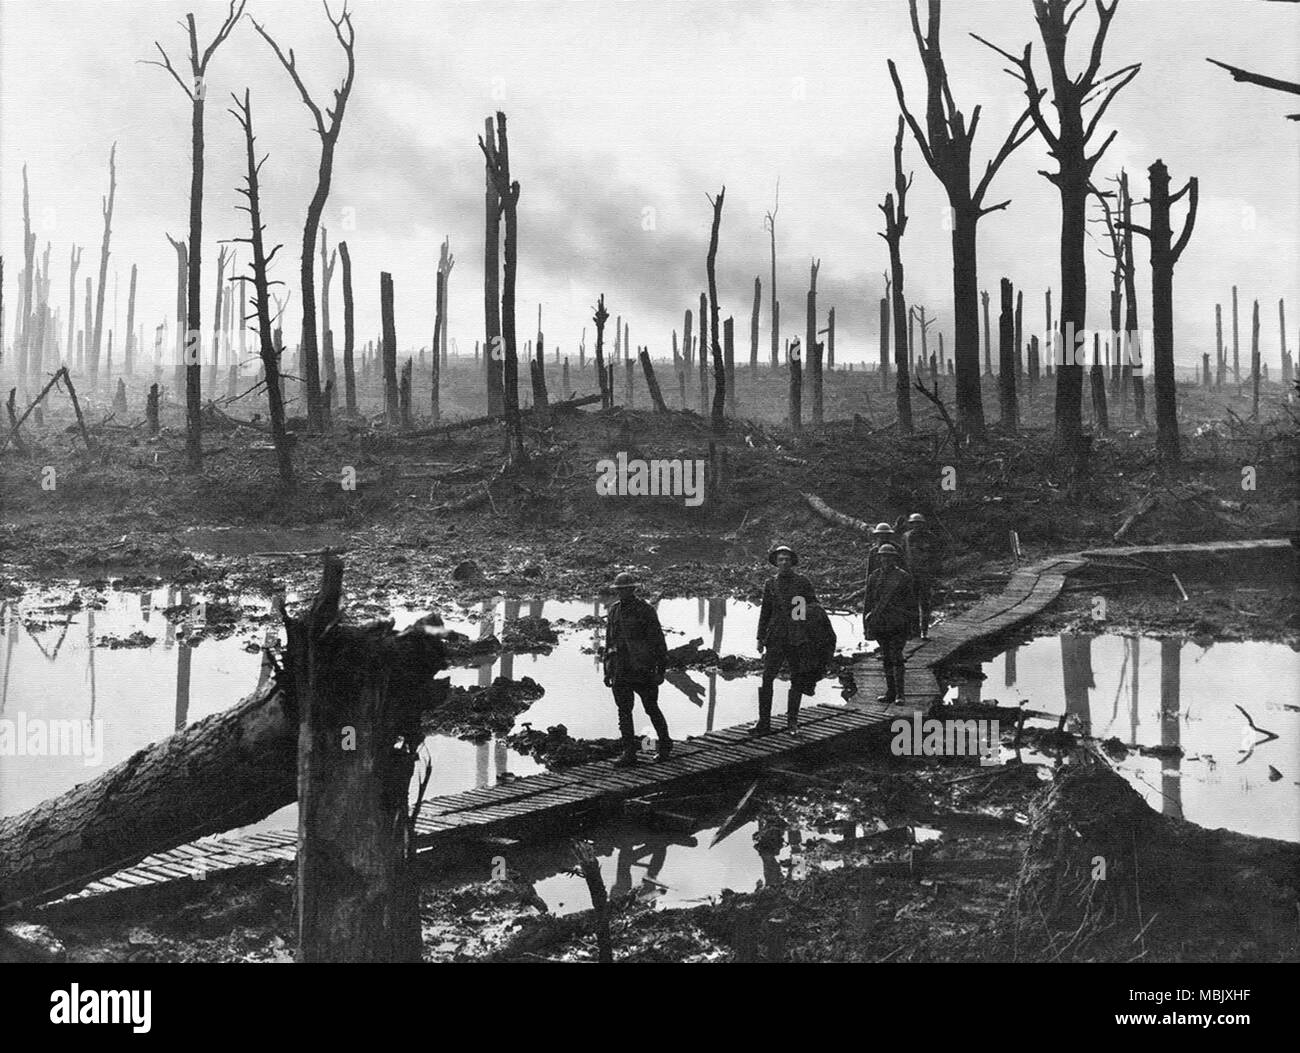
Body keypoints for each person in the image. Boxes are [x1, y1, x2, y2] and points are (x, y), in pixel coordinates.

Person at [755, 545, 832, 734]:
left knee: (797, 678)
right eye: (780, 559)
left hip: (797, 636)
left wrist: (803, 619)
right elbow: (765, 612)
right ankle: (763, 722)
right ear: (775, 563)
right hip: (775, 637)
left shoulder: (802, 582)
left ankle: (792, 722)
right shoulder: (770, 584)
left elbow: (814, 606)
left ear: (792, 562)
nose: (784, 563)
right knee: (767, 678)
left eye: (787, 559)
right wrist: (759, 637)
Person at [603, 571, 671, 765]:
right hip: (620, 670)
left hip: (642, 670)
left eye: (626, 590)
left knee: (651, 708)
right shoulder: (614, 610)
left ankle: (665, 746)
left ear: (633, 590)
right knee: (624, 712)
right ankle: (629, 754)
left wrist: (660, 670)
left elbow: (658, 641)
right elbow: (609, 643)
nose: (622, 593)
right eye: (619, 590)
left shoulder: (645, 610)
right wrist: (607, 670)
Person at [862, 544, 918, 704]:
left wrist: (912, 625)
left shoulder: (903, 577)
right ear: (879, 558)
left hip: (898, 622)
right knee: (886, 657)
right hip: (880, 622)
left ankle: (900, 694)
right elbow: (868, 603)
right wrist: (867, 626)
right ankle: (890, 692)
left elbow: (911, 603)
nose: (886, 559)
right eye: (883, 556)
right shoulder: (874, 577)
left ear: (895, 558)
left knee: (897, 657)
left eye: (889, 556)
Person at [901, 512, 941, 639]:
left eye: (919, 523)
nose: (916, 526)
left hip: (925, 574)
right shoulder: (906, 537)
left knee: (925, 603)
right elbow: (902, 555)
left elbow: (936, 557)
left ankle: (924, 630)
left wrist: (933, 573)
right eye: (914, 523)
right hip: (910, 575)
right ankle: (914, 631)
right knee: (911, 603)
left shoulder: (930, 537)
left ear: (923, 524)